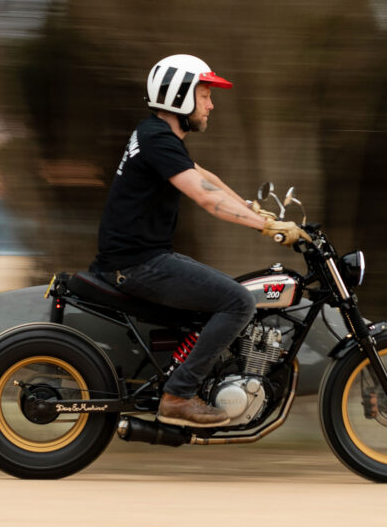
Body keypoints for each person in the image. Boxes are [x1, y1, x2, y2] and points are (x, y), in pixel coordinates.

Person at [90, 54, 308, 428]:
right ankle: (178, 396)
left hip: (143, 257)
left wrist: (255, 209)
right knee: (239, 301)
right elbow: (205, 198)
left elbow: (204, 175)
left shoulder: (155, 135)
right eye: (204, 94)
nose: (210, 104)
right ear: (178, 97)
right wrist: (264, 228)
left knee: (231, 292)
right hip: (137, 264)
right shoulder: (157, 139)